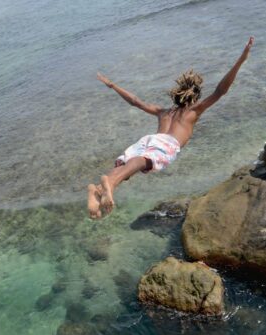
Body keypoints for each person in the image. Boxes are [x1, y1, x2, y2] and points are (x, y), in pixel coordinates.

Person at [87, 36, 254, 219]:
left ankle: (98, 190)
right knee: (142, 162)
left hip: (149, 139)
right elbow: (220, 91)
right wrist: (241, 60)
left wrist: (113, 85)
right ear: (195, 97)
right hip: (166, 143)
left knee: (128, 165)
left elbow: (136, 101)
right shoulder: (193, 111)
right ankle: (109, 186)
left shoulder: (163, 112)